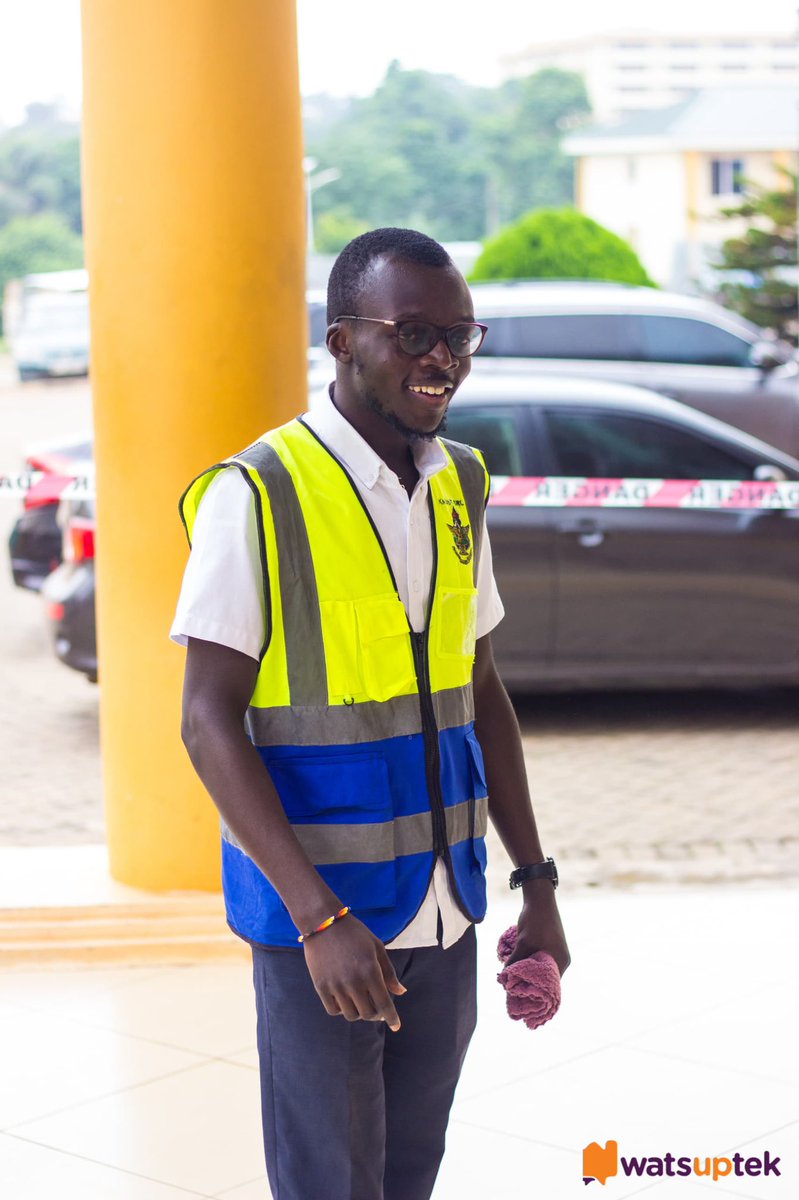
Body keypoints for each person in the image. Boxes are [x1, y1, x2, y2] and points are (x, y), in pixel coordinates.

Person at [172, 227, 569, 1200]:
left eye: (460, 335)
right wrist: (318, 920)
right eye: (413, 333)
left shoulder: (459, 482)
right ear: (343, 340)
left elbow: (478, 690)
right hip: (328, 927)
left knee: (408, 1172)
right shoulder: (256, 493)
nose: (443, 359)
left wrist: (536, 882)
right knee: (331, 1181)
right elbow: (206, 721)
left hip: (447, 904)